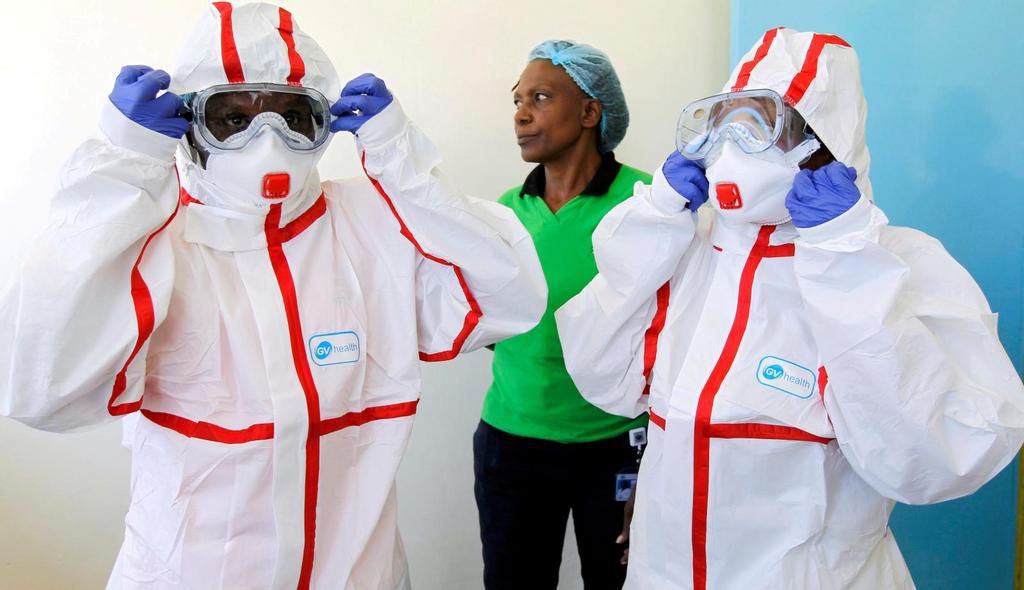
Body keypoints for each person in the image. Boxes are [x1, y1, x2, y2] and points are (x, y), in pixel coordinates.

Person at [0, 2, 546, 588]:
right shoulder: (153, 239)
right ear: (190, 127)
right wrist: (121, 170)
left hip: (357, 575)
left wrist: (402, 165)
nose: (269, 138)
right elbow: (38, 388)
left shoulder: (375, 223)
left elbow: (508, 297)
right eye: (233, 118)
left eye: (293, 115)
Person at [555, 27, 1024, 589]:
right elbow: (601, 376)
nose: (731, 145)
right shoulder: (693, 254)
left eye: (758, 126)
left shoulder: (897, 265)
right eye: (723, 123)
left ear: (822, 143)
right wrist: (654, 223)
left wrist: (845, 261)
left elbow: (934, 462)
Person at [473, 40, 650, 590]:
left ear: (591, 112)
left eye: (541, 97)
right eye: (518, 100)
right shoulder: (505, 211)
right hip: (512, 443)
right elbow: (486, 319)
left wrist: (660, 466)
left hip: (617, 445)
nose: (521, 114)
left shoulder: (648, 206)